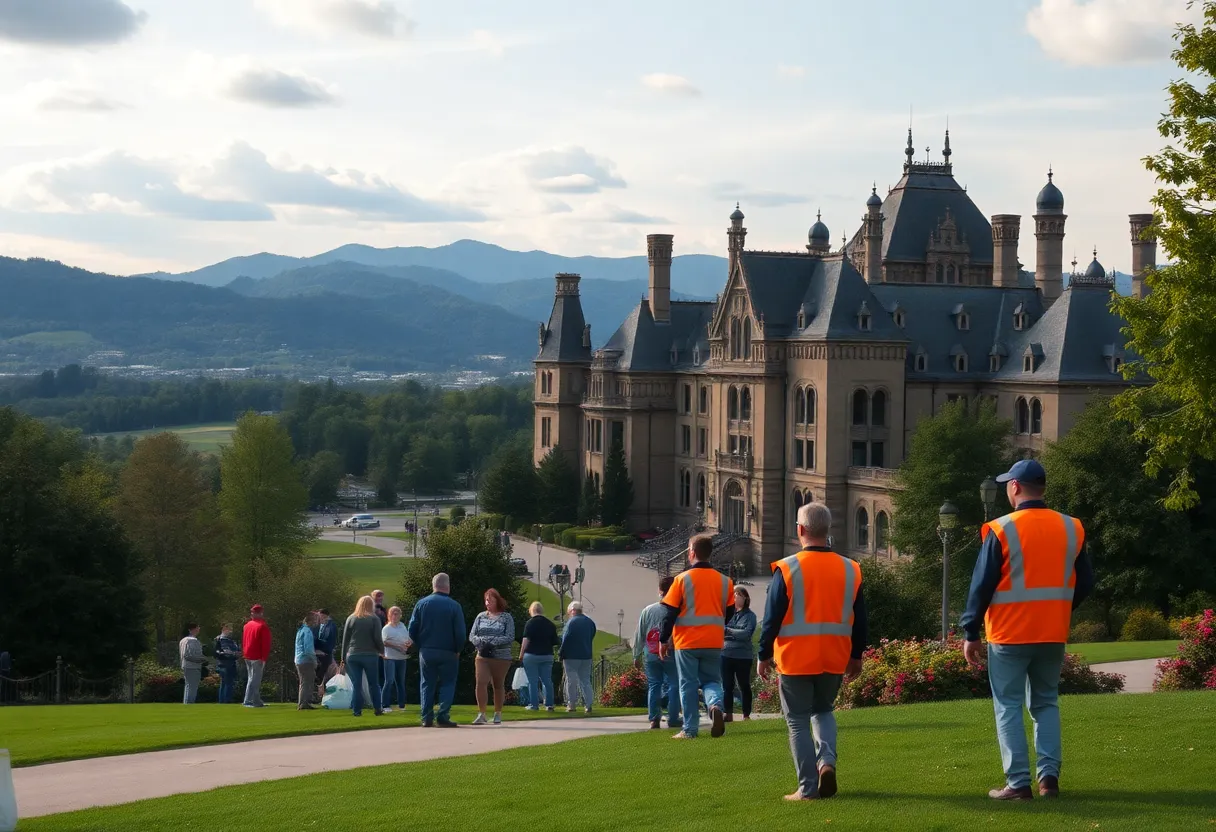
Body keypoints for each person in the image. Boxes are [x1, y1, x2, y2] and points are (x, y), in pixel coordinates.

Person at [961, 459, 1092, 801]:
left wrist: (970, 631)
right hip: (1052, 631)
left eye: (1008, 483)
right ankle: (1048, 780)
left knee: (1008, 705)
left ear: (1015, 487)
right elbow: (1086, 581)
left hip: (1009, 634)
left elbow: (981, 585)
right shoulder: (1072, 527)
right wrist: (1060, 608)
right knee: (1046, 703)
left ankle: (1018, 784)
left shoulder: (1001, 529)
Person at [759, 502, 867, 801]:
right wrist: (856, 655)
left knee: (797, 721)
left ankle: (807, 788)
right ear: (827, 530)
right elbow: (860, 618)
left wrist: (763, 654)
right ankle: (827, 763)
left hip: (795, 658)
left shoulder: (787, 568)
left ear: (800, 530)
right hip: (834, 656)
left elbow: (772, 618)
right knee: (824, 711)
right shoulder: (851, 568)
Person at [659, 535, 734, 739]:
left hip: (687, 641)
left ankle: (690, 729)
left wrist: (663, 639)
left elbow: (670, 613)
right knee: (711, 681)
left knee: (688, 684)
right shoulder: (725, 581)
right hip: (713, 640)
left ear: (692, 552)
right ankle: (715, 706)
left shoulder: (681, 580)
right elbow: (730, 612)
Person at [407, 573, 466, 727]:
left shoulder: (421, 604)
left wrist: (421, 644)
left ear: (433, 585)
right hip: (448, 651)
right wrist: (458, 649)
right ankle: (443, 715)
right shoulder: (454, 606)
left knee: (427, 683)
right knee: (448, 683)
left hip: (427, 650)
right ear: (447, 585)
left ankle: (426, 717)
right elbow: (460, 633)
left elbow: (412, 629)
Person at [633, 576, 682, 730]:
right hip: (672, 651)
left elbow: (640, 633)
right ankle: (673, 717)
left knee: (654, 685)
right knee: (674, 685)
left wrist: (636, 654)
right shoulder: (678, 610)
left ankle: (654, 718)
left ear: (660, 591)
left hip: (651, 652)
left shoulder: (648, 610)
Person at [469, 588, 517, 725]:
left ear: (497, 600)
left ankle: (497, 713)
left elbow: (509, 636)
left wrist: (492, 642)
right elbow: (472, 635)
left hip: (500, 656)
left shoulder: (506, 617)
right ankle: (482, 713)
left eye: (490, 600)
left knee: (497, 684)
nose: (487, 603)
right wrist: (481, 643)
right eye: (486, 600)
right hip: (482, 655)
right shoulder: (481, 616)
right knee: (481, 682)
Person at [340, 595, 386, 717]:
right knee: (373, 683)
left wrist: (343, 657)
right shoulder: (374, 619)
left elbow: (345, 639)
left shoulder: (351, 618)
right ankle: (377, 708)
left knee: (357, 684)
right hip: (370, 654)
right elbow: (377, 638)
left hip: (353, 654)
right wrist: (382, 651)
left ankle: (357, 711)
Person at [722, 587, 757, 723]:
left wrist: (728, 631)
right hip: (726, 653)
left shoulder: (750, 616)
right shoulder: (727, 614)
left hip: (743, 656)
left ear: (745, 598)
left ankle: (746, 714)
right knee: (727, 686)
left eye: (739, 595)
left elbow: (746, 633)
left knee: (744, 685)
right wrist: (734, 631)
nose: (736, 597)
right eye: (734, 595)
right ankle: (728, 713)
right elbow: (720, 630)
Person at [520, 601, 558, 712]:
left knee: (533, 681)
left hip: (531, 655)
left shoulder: (530, 623)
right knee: (547, 680)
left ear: (531, 610)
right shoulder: (550, 624)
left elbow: (526, 640)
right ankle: (549, 704)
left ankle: (534, 704)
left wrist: (521, 654)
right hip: (547, 655)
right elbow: (554, 641)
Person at [559, 601, 597, 714]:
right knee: (585, 680)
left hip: (571, 656)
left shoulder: (571, 622)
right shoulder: (590, 622)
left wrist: (561, 653)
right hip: (586, 655)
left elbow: (565, 639)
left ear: (572, 611)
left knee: (571, 680)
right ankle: (588, 704)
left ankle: (571, 704)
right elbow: (592, 634)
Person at [242, 605, 272, 708]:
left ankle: (248, 699)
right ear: (261, 613)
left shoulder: (247, 625)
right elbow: (265, 644)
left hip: (248, 655)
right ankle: (254, 701)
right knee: (255, 679)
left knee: (251, 678)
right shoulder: (262, 626)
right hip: (257, 656)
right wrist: (264, 657)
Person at [382, 606, 410, 712]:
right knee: (389, 680)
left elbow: (406, 638)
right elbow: (384, 642)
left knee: (400, 682)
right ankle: (385, 705)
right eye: (393, 613)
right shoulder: (387, 628)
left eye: (397, 613)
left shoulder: (402, 626)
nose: (395, 615)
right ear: (389, 615)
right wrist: (398, 647)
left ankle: (401, 705)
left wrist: (408, 644)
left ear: (400, 615)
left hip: (402, 657)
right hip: (390, 657)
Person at [294, 612, 319, 710]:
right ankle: (303, 703)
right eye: (315, 620)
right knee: (306, 682)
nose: (316, 622)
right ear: (311, 621)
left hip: (299, 659)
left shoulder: (300, 630)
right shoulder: (307, 631)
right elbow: (308, 649)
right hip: (305, 660)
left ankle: (304, 702)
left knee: (304, 681)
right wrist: (314, 660)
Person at [212, 624, 241, 705]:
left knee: (224, 682)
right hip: (226, 663)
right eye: (229, 630)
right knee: (228, 683)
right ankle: (227, 700)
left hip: (225, 663)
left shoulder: (227, 640)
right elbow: (226, 652)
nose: (231, 632)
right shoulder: (223, 640)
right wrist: (235, 653)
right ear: (225, 630)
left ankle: (222, 700)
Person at [313, 609, 337, 701]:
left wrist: (321, 647)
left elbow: (330, 640)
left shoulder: (331, 625)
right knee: (321, 674)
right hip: (321, 653)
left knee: (324, 674)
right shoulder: (321, 625)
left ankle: (323, 695)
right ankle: (320, 694)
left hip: (326, 653)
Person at [179, 623, 205, 705]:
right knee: (192, 687)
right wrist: (201, 659)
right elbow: (189, 655)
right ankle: (190, 703)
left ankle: (186, 703)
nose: (199, 629)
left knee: (188, 686)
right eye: (197, 628)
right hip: (192, 666)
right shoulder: (192, 640)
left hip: (186, 665)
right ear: (192, 629)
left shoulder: (183, 640)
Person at [372, 589, 388, 686]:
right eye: (377, 596)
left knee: (383, 672)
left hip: (384, 644)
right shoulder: (371, 611)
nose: (380, 598)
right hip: (374, 645)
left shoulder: (384, 610)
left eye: (381, 596)